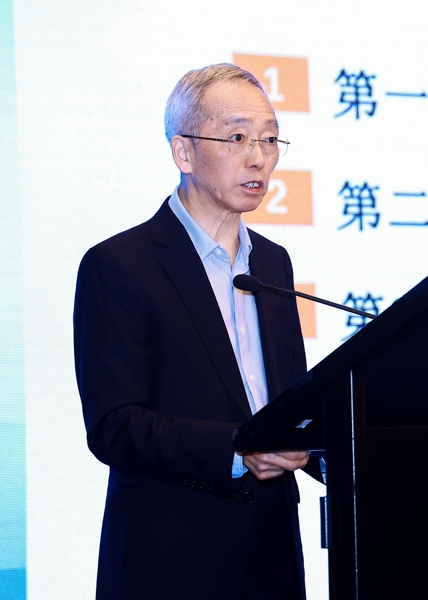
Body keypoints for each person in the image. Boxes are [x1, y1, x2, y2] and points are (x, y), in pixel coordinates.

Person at [73, 64, 318, 599]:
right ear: (183, 152)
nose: (259, 158)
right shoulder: (120, 265)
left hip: (274, 552)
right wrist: (237, 449)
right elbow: (114, 425)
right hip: (172, 559)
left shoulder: (272, 263)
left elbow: (289, 403)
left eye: (270, 140)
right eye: (237, 138)